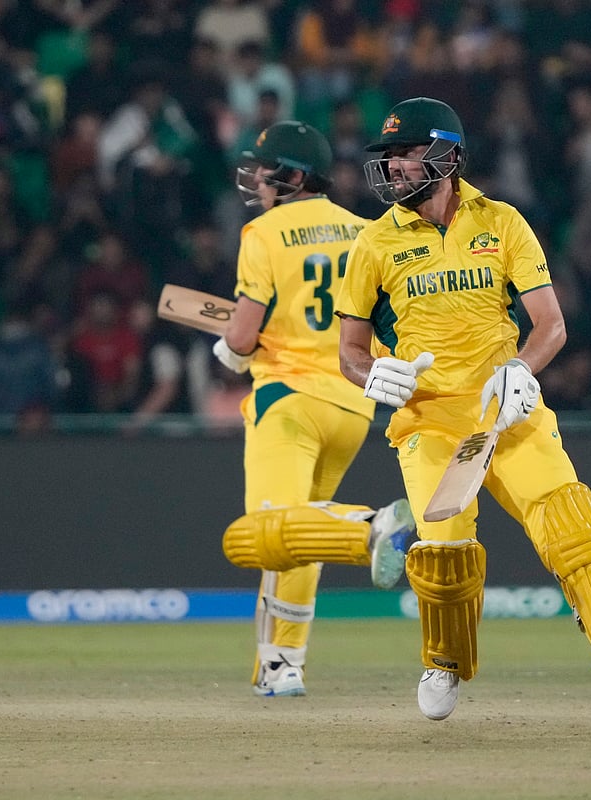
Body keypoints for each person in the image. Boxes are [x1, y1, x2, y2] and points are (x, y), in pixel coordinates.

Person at [334, 97, 591, 731]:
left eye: (406, 154)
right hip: (428, 423)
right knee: (443, 558)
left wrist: (522, 368)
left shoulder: (502, 222)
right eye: (388, 157)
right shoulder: (374, 242)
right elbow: (350, 351)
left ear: (446, 156)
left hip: (507, 415)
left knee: (577, 532)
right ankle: (445, 660)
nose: (392, 167)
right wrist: (371, 376)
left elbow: (551, 325)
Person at [209, 120, 416, 698]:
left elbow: (243, 335)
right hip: (352, 406)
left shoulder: (264, 232)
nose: (257, 180)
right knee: (299, 537)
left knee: (267, 530)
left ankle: (371, 526)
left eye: (265, 170)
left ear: (294, 177)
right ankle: (282, 665)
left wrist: (229, 350)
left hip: (289, 400)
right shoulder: (366, 231)